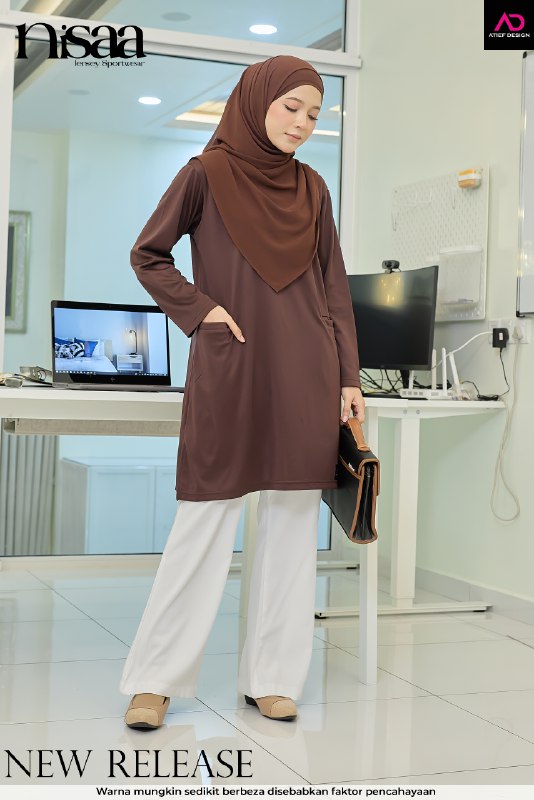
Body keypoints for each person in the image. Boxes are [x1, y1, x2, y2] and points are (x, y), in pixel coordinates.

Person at [119, 55, 364, 729]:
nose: (302, 123)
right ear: (257, 101)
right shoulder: (205, 173)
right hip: (233, 364)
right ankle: (154, 680)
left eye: (314, 113)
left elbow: (334, 288)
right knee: (203, 519)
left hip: (307, 369)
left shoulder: (313, 188)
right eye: (291, 107)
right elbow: (149, 255)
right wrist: (202, 311)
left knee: (291, 524)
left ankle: (273, 677)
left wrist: (348, 375)